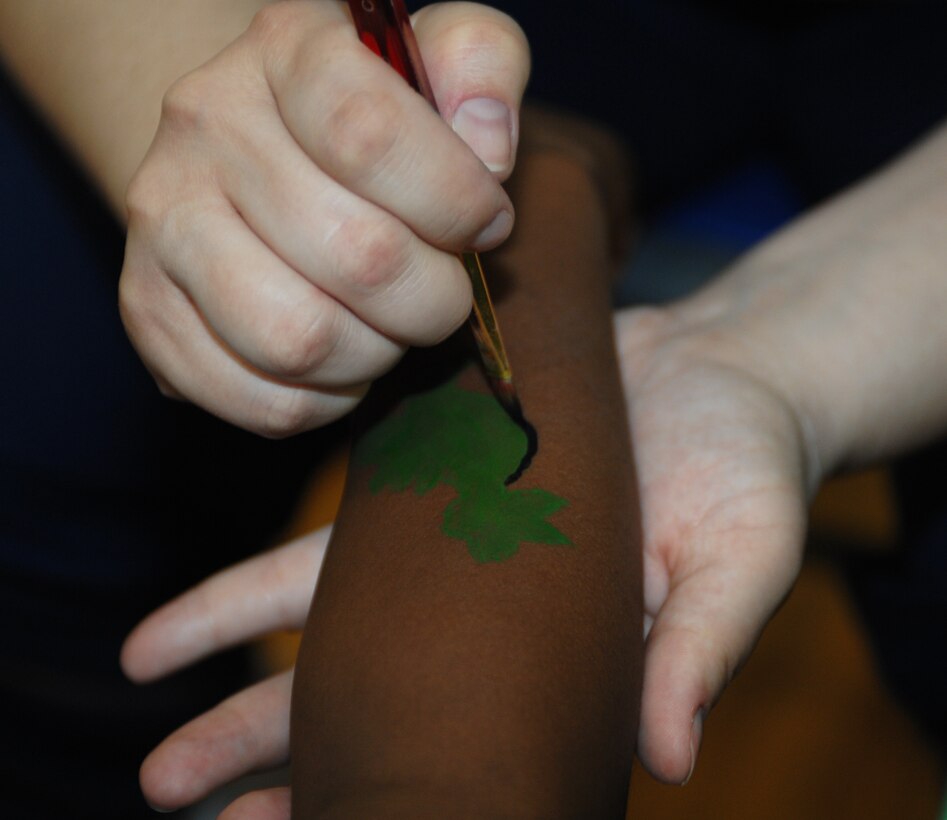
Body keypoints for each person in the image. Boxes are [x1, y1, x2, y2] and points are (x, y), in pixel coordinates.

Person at [3, 0, 946, 815]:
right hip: (452, 41)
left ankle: (557, 176)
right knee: (41, 444)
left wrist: (790, 356)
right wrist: (241, 182)